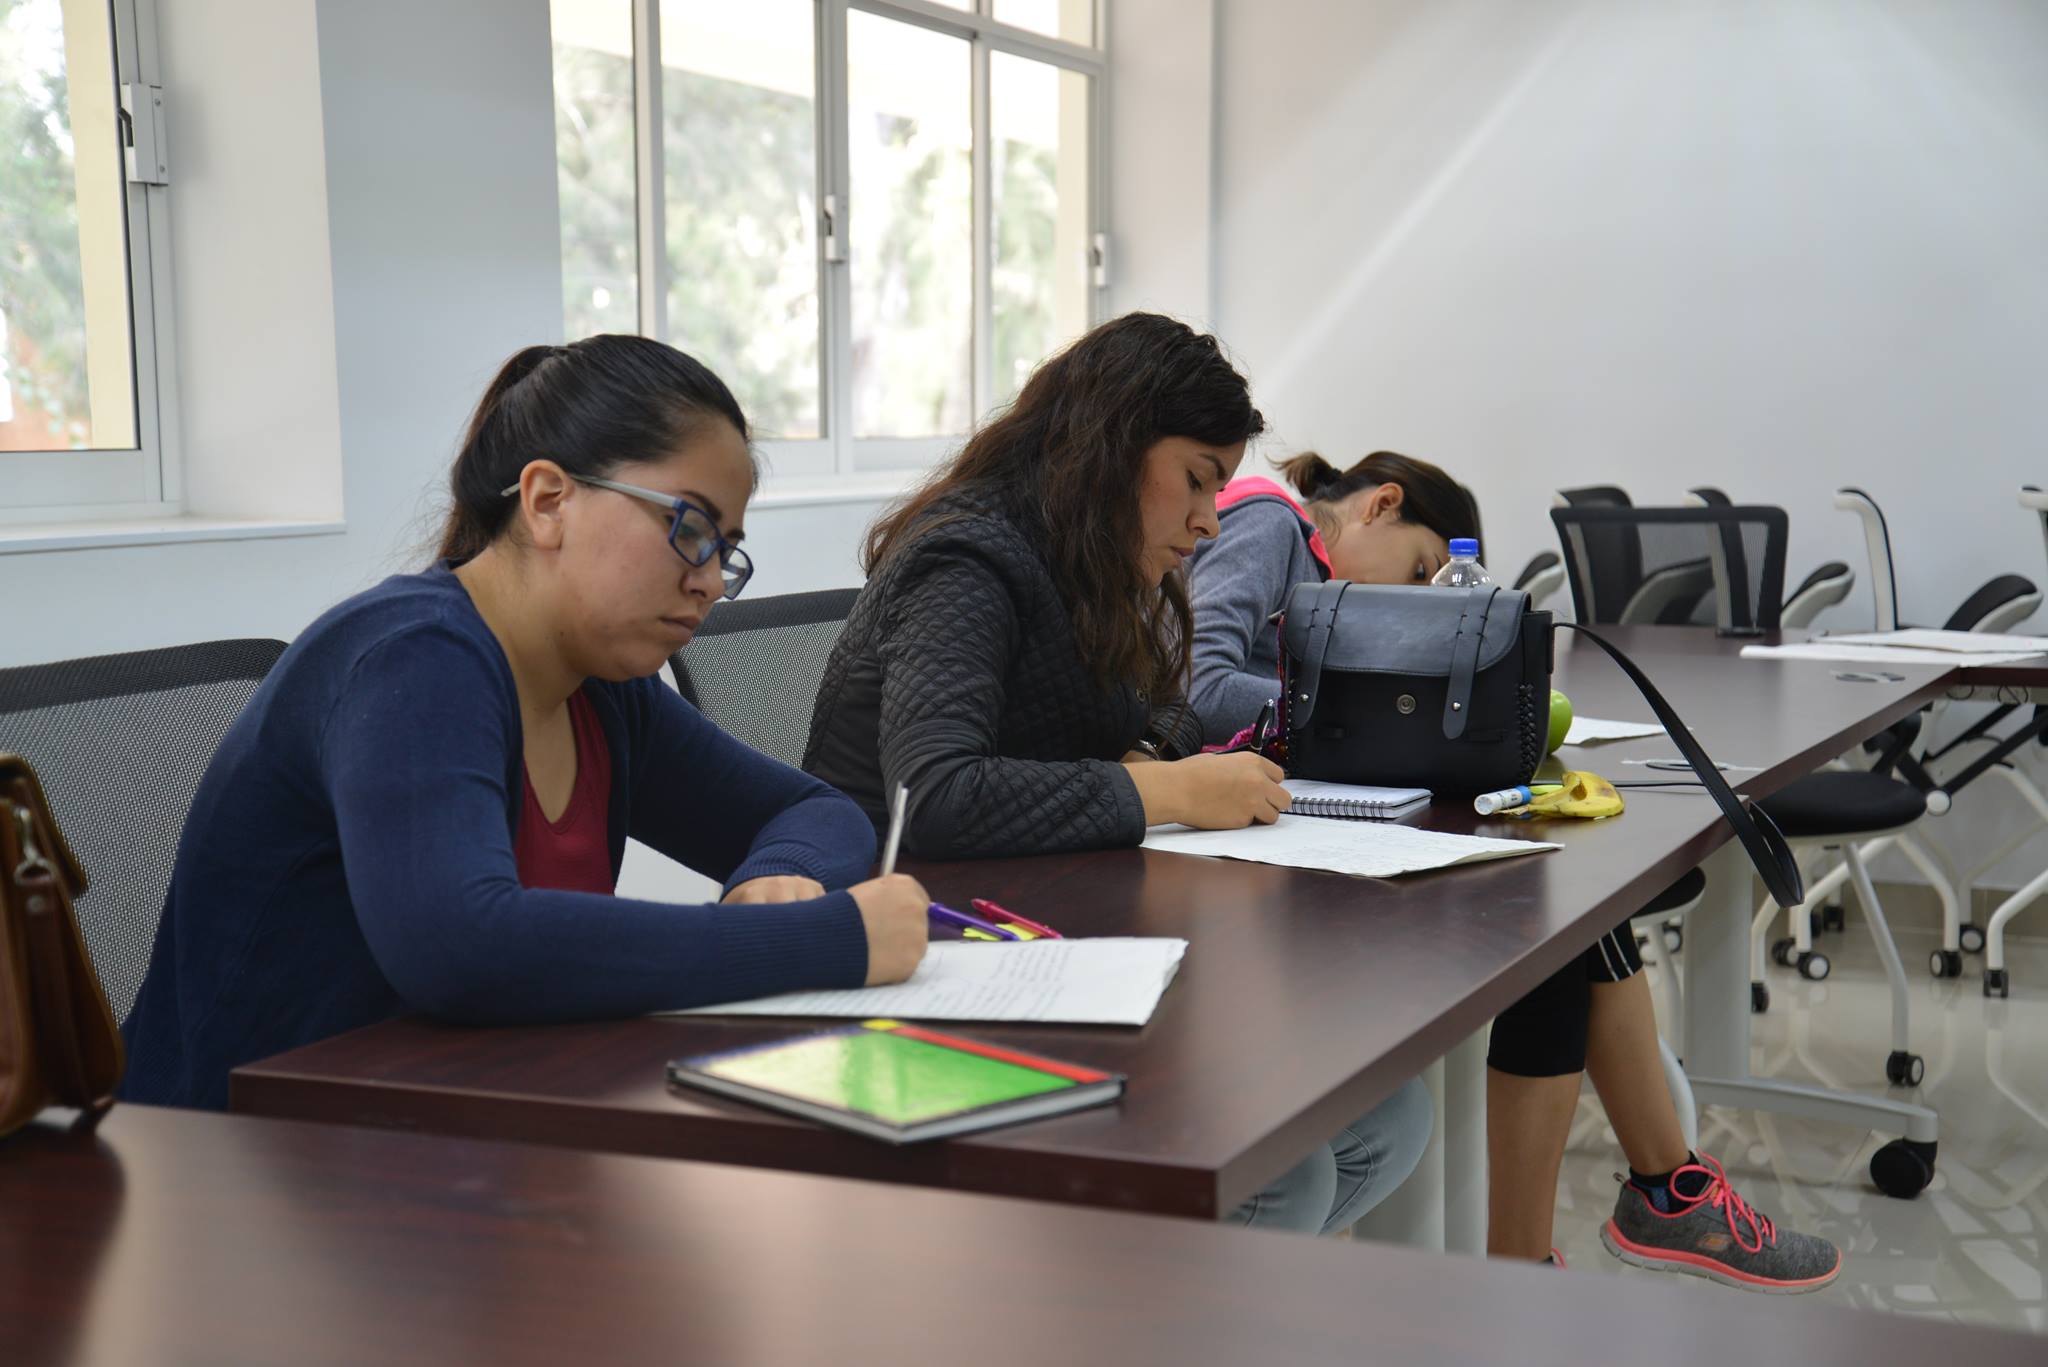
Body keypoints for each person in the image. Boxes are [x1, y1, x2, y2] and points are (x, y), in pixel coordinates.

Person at [120, 335, 930, 1110]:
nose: (713, 580)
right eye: (690, 528)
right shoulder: (415, 661)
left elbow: (813, 810)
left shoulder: (602, 687)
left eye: (727, 549)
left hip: (450, 1126)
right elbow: (461, 946)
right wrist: (826, 940)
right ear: (548, 502)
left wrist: (777, 874)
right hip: (229, 1165)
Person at [803, 312, 1432, 1236]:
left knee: (1391, 1111)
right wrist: (1160, 789)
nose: (1208, 519)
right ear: (1112, 444)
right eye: (1195, 481)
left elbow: (1164, 706)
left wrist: (1147, 755)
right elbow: (933, 795)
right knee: (1278, 1177)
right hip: (918, 958)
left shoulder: (1095, 560)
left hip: (1051, 927)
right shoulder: (967, 557)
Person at [1184, 448, 1843, 1292]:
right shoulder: (1272, 522)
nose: (1418, 600)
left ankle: (1599, 1225)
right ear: (1381, 504)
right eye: (1423, 570)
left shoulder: (1303, 556)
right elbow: (1199, 686)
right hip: (1236, 843)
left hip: (1289, 817)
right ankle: (1633, 1206)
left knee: (1553, 900)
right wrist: (1361, 709)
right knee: (1548, 907)